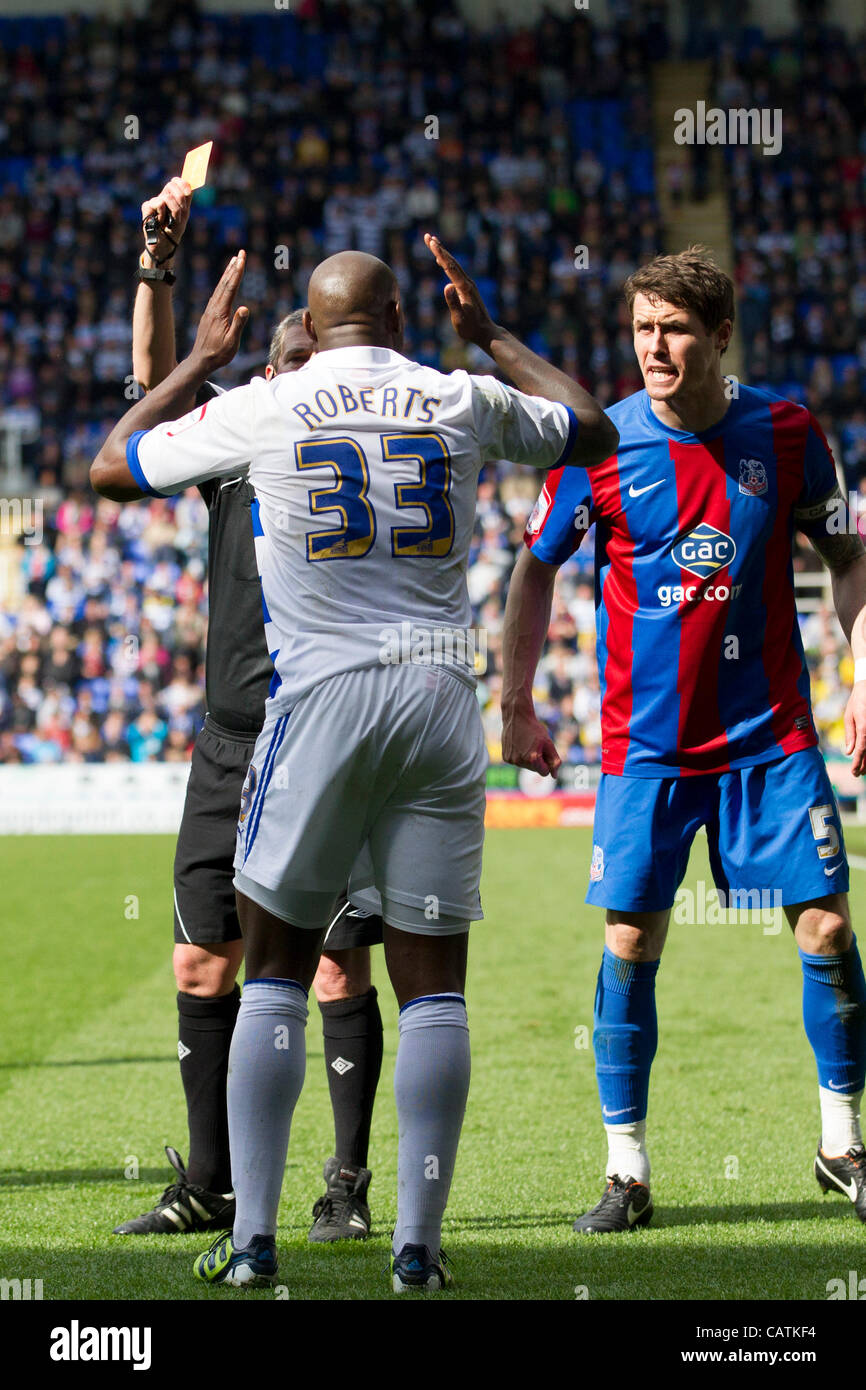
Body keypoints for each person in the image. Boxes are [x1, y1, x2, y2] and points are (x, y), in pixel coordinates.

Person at [91, 236, 618, 1290]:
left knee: (275, 977)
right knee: (432, 989)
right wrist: (491, 337)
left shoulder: (270, 403)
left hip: (319, 699)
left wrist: (198, 357)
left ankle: (250, 1243)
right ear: (401, 323)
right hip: (436, 702)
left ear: (311, 331)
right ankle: (417, 1249)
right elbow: (591, 428)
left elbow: (111, 469)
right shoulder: (453, 392)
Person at [502, 246, 866, 1233]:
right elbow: (533, 570)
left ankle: (841, 1142)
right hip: (645, 750)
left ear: (716, 335)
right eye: (639, 330)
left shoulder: (785, 434)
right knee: (629, 938)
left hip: (769, 739)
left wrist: (861, 674)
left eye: (670, 330)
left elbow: (846, 559)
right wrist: (515, 700)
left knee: (826, 927)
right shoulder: (595, 446)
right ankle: (626, 1170)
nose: (651, 348)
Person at [111, 179, 384, 1245]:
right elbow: (151, 390)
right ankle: (211, 1184)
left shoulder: (351, 461)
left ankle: (346, 1185)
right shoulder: (237, 449)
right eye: (290, 372)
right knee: (199, 960)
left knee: (331, 961)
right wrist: (157, 268)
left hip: (324, 736)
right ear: (267, 379)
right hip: (229, 743)